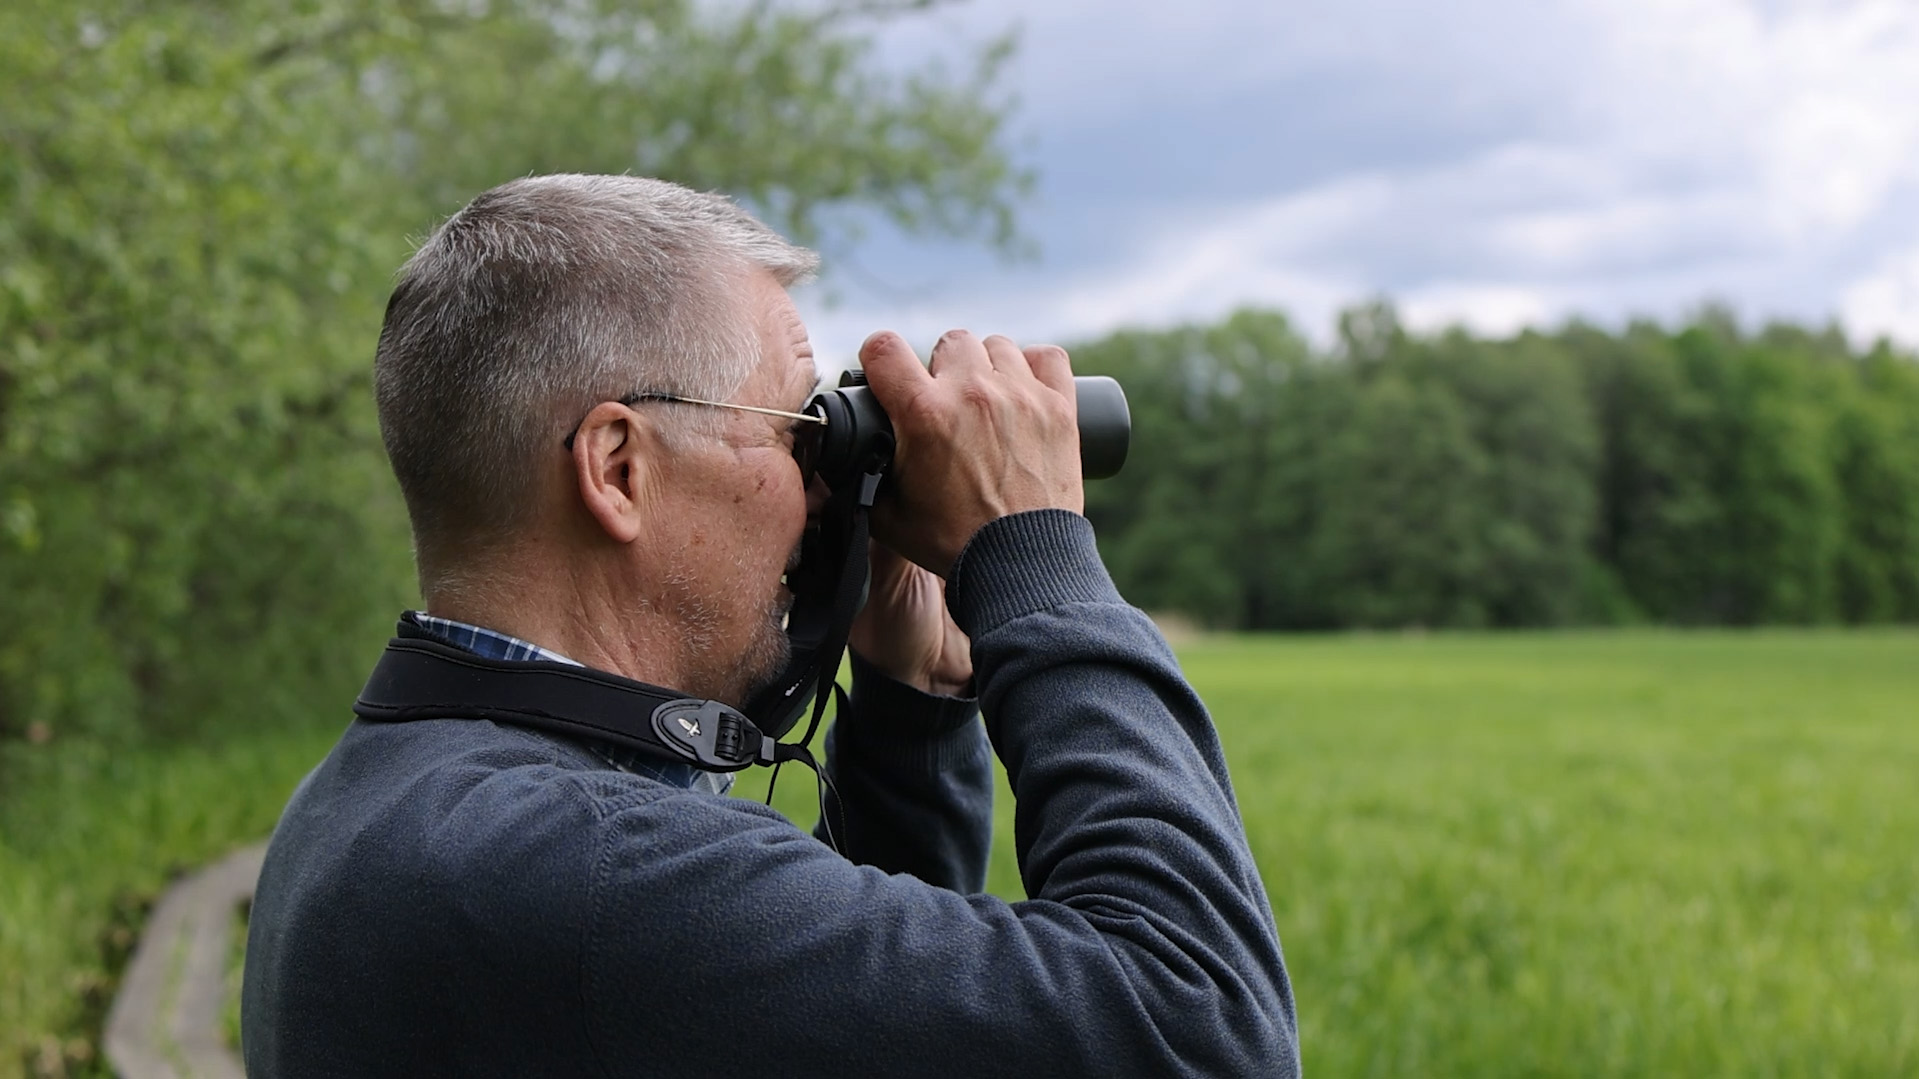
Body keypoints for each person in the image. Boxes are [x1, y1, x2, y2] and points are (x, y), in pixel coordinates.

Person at [241, 174, 1297, 1077]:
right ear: (620, 469)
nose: (821, 489)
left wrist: (912, 707)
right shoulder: (584, 862)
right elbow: (1196, 1024)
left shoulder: (397, 793)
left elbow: (855, 1032)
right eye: (798, 428)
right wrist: (1034, 553)